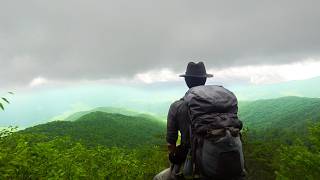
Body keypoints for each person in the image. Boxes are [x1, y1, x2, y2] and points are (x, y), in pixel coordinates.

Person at [154, 61, 213, 180]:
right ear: (205, 80)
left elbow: (171, 143)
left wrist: (174, 159)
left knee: (158, 178)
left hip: (192, 161)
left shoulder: (177, 106)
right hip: (221, 157)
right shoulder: (218, 104)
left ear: (186, 81)